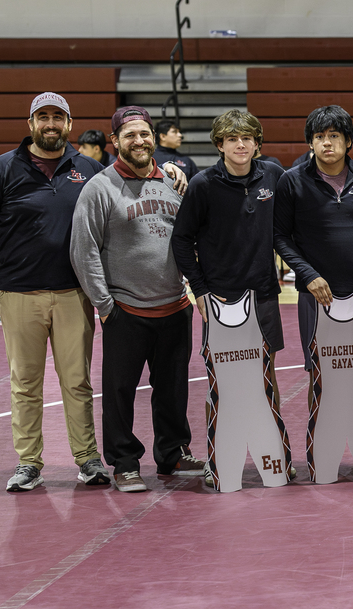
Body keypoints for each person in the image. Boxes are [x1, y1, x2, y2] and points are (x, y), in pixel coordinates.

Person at [0, 93, 185, 492]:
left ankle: (87, 459)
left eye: (58, 118)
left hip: (73, 292)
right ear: (30, 122)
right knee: (25, 382)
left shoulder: (87, 168)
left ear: (69, 124)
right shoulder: (2, 170)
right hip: (19, 292)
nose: (50, 124)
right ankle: (29, 462)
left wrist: (168, 167)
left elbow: (135, 171)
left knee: (77, 380)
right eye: (42, 117)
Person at [70, 106, 206, 492]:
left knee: (173, 389)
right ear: (115, 142)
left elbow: (191, 238)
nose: (139, 141)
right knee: (119, 393)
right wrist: (105, 306)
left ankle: (173, 454)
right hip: (126, 309)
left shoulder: (175, 182)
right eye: (130, 135)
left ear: (153, 138)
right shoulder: (99, 187)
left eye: (144, 133)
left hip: (174, 306)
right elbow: (84, 250)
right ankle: (125, 463)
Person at [273, 105, 353, 377]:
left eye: (334, 135)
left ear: (348, 141)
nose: (326, 142)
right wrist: (308, 275)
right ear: (310, 143)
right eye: (319, 136)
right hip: (315, 293)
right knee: (320, 376)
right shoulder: (292, 181)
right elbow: (279, 236)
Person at [171, 109, 288, 361]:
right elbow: (180, 239)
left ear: (257, 143)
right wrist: (200, 290)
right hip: (220, 296)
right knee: (222, 382)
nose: (241, 144)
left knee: (265, 376)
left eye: (247, 138)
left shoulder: (273, 174)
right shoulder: (202, 184)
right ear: (219, 144)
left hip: (264, 292)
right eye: (232, 139)